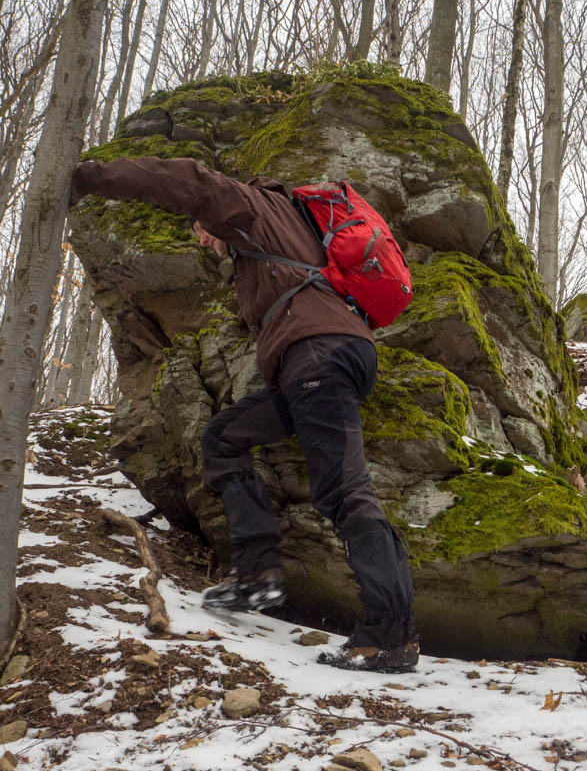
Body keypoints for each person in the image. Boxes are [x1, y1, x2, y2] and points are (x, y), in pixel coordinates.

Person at [71, 155, 418, 673]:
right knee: (225, 436)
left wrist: (87, 177)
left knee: (346, 492)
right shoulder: (288, 227)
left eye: (203, 231)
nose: (205, 240)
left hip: (318, 353)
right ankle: (258, 574)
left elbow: (185, 180)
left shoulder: (253, 205)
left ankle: (390, 636)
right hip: (318, 359)